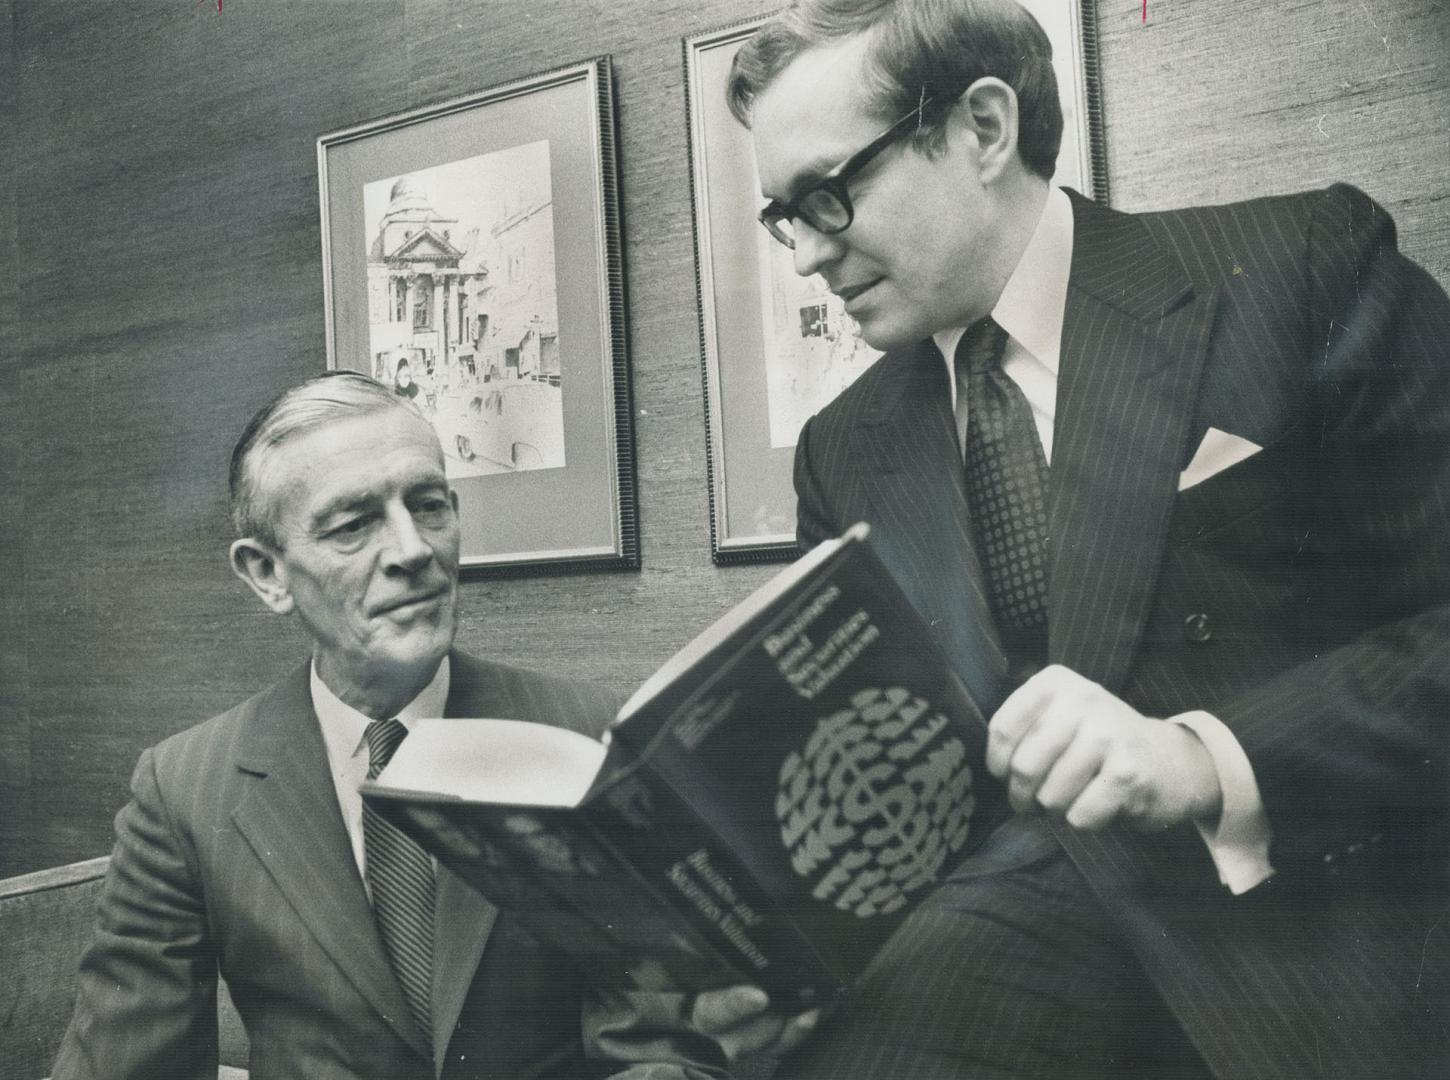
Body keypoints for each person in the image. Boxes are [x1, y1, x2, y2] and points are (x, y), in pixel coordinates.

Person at [726, 1, 1450, 1077]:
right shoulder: (842, 448)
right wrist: (784, 955)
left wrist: (1204, 758)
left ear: (981, 129)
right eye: (786, 216)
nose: (806, 256)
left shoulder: (1300, 270)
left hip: (1318, 958)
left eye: (831, 195)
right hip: (995, 984)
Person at [52, 371, 804, 1079]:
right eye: (353, 526)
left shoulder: (591, 736)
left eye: (430, 505)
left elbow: (673, 1042)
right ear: (268, 574)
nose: (413, 552)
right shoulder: (184, 789)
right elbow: (123, 1062)